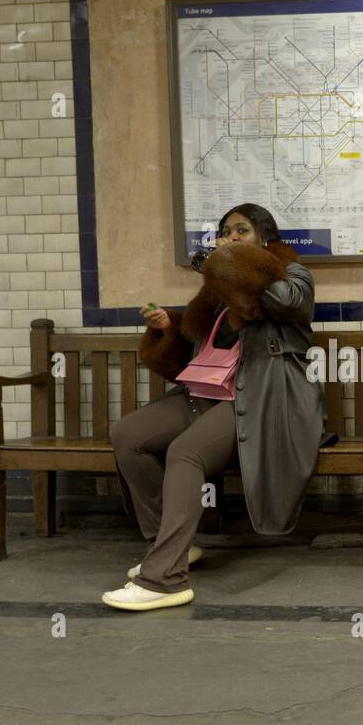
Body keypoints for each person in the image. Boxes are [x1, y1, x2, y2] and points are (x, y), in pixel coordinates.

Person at [103, 204, 324, 610]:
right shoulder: (217, 291)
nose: (232, 237)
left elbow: (286, 303)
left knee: (184, 453)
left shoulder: (293, 275)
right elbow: (198, 351)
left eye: (242, 230)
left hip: (256, 400)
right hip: (201, 394)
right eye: (226, 231)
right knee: (128, 434)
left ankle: (165, 579)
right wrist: (169, 328)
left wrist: (230, 263)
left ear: (265, 238)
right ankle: (169, 547)